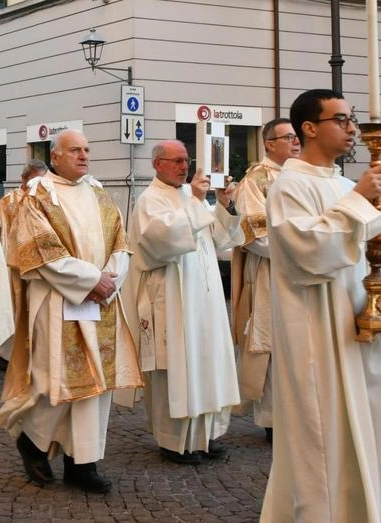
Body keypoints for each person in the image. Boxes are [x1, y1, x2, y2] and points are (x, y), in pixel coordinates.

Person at [258, 89, 381, 522]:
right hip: (316, 328)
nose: (352, 129)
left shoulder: (344, 184)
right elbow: (309, 252)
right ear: (309, 128)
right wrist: (360, 200)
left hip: (357, 323)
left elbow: (374, 250)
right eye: (341, 120)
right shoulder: (291, 183)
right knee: (323, 440)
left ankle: (365, 509)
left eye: (352, 119)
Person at [0, 129, 142, 494]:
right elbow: (41, 251)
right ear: (55, 156)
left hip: (99, 301)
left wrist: (110, 281)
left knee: (95, 387)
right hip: (59, 301)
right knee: (54, 379)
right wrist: (92, 279)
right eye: (75, 150)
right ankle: (32, 442)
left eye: (87, 149)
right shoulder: (38, 195)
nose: (84, 155)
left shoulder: (99, 193)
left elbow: (121, 244)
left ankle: (83, 463)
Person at [123, 140, 244, 465]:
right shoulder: (150, 200)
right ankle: (174, 440)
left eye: (186, 160)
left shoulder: (190, 198)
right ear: (157, 164)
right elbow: (161, 241)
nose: (183, 166)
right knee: (175, 368)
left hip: (204, 300)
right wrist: (194, 201)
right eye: (176, 161)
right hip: (171, 299)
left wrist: (224, 204)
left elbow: (221, 240)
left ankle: (205, 435)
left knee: (207, 364)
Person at [230, 118, 301, 443]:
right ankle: (274, 421)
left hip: (306, 272)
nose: (295, 142)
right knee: (273, 344)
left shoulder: (303, 175)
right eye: (287, 138)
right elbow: (252, 234)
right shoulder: (256, 181)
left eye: (296, 137)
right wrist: (302, 252)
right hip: (273, 272)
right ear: (269, 143)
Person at [0, 159, 47, 362]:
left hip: (39, 265)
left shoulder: (46, 200)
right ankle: (8, 354)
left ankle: (35, 351)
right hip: (13, 266)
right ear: (24, 178)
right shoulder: (10, 200)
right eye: (34, 180)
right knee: (13, 308)